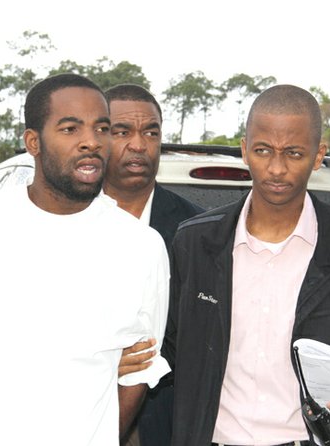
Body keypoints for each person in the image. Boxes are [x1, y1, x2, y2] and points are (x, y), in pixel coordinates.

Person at [164, 84, 330, 446]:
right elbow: (166, 351)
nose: (276, 168)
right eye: (262, 151)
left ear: (318, 155)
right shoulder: (194, 244)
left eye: (293, 153)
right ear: (244, 149)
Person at [0, 73, 171, 445]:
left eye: (102, 128)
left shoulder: (141, 246)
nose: (91, 142)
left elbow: (136, 376)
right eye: (70, 129)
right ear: (33, 142)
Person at [103, 84, 202, 446]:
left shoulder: (198, 231)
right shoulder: (67, 222)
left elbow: (207, 333)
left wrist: (147, 360)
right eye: (122, 131)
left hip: (166, 426)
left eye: (151, 132)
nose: (139, 145)